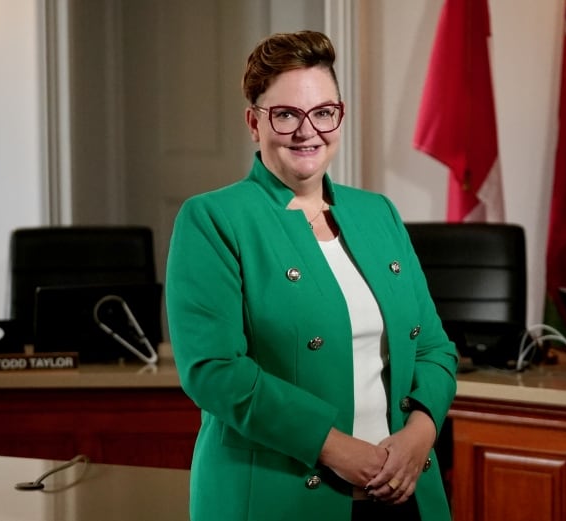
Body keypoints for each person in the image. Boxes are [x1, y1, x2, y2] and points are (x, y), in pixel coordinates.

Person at [166, 30, 458, 521]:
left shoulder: (377, 213)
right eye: (286, 115)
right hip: (280, 498)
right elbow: (213, 371)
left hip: (404, 492)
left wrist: (419, 436)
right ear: (253, 123)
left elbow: (432, 346)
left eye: (323, 112)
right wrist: (339, 449)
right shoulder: (213, 218)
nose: (308, 131)